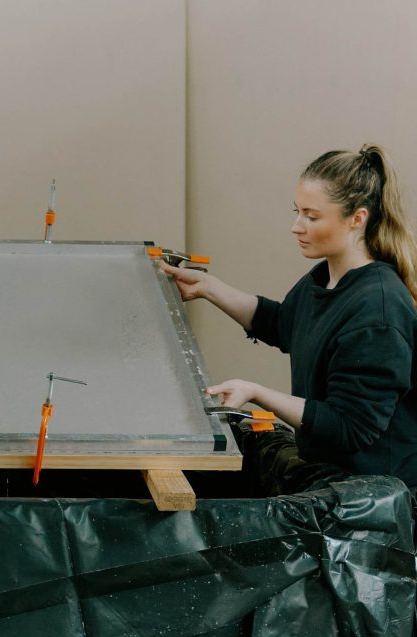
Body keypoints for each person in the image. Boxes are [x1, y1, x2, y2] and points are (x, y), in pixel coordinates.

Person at [161, 144, 417, 488]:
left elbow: (349, 427)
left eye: (312, 216)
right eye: (298, 212)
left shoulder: (378, 312)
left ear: (357, 219)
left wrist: (256, 391)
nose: (297, 226)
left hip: (375, 499)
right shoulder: (325, 278)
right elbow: (284, 324)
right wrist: (207, 287)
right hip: (332, 478)